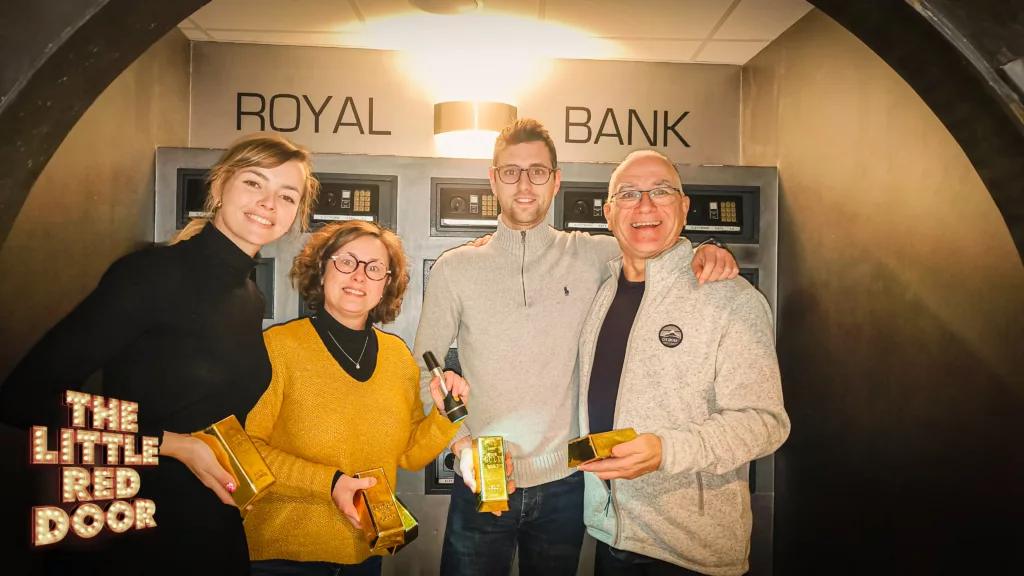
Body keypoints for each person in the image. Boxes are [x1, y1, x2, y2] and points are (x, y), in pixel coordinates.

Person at [412, 119, 739, 575]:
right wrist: (461, 447)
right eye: (511, 172)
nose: (524, 184)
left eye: (537, 172)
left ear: (556, 181)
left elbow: (652, 242)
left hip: (567, 483)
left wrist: (706, 248)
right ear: (493, 180)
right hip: (483, 476)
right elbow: (421, 372)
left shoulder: (593, 255)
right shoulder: (455, 268)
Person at [0, 134, 320, 575]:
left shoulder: (250, 297)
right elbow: (23, 398)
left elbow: (207, 409)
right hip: (130, 524)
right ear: (219, 185)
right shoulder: (150, 276)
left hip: (208, 521)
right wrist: (177, 446)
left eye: (286, 195)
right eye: (253, 182)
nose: (269, 203)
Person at [243, 221, 510, 576]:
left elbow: (410, 455)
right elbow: (247, 451)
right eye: (346, 261)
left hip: (365, 552)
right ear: (322, 270)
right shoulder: (279, 348)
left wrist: (445, 413)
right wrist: (331, 484)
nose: (359, 276)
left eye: (374, 268)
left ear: (386, 285)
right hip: (285, 555)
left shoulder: (397, 357)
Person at [575, 150, 791, 576]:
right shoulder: (600, 293)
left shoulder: (731, 299)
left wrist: (665, 451)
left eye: (661, 191)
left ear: (685, 205)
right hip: (612, 535)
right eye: (629, 194)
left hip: (691, 552)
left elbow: (765, 422)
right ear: (609, 213)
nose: (645, 205)